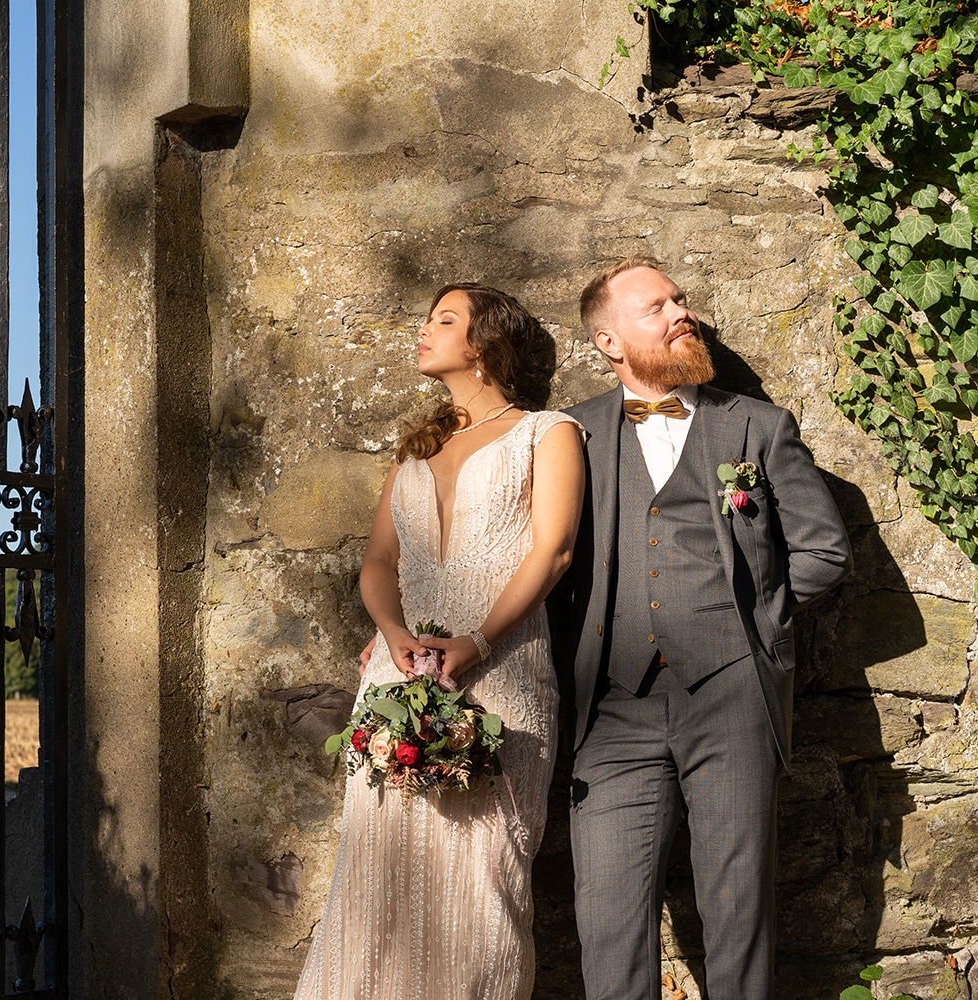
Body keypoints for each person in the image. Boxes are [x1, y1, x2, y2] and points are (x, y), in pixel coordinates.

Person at [552, 259, 852, 1000]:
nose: (681, 312)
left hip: (731, 700)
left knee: (738, 909)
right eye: (656, 306)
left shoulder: (756, 424)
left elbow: (823, 550)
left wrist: (758, 623)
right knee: (608, 919)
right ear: (609, 341)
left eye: (681, 299)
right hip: (610, 709)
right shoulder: (570, 434)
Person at [295, 283, 585, 1000]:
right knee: (376, 876)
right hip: (398, 674)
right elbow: (378, 564)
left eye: (443, 320)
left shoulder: (547, 433)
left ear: (485, 344)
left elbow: (552, 550)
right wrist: (391, 636)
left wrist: (479, 641)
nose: (423, 331)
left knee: (485, 880)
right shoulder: (417, 449)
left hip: (504, 669)